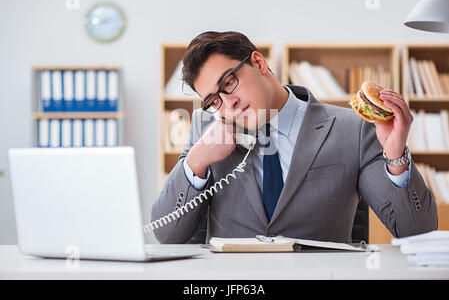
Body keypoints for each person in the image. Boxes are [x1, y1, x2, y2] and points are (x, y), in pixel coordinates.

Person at [151, 31, 437, 244]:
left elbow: (417, 232)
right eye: (214, 100)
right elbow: (166, 234)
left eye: (229, 82)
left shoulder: (353, 128)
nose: (229, 104)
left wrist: (396, 156)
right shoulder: (206, 130)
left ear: (259, 63)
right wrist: (197, 160)